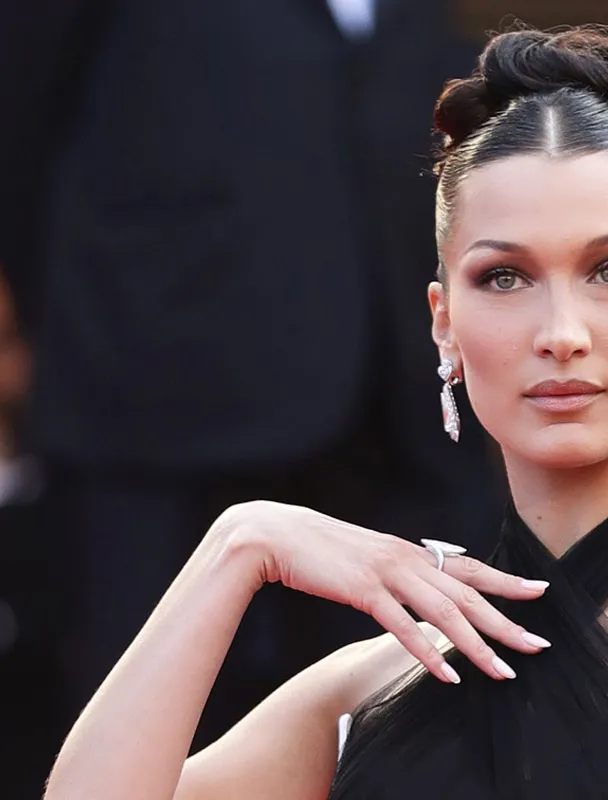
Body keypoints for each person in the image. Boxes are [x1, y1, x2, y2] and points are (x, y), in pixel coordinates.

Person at [43, 26, 608, 800]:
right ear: (444, 322)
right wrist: (241, 545)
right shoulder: (371, 684)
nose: (562, 333)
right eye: (504, 277)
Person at [0, 0, 502, 745]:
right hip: (155, 400)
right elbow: (20, 110)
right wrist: (62, 321)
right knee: (147, 731)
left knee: (395, 730)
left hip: (396, 405)